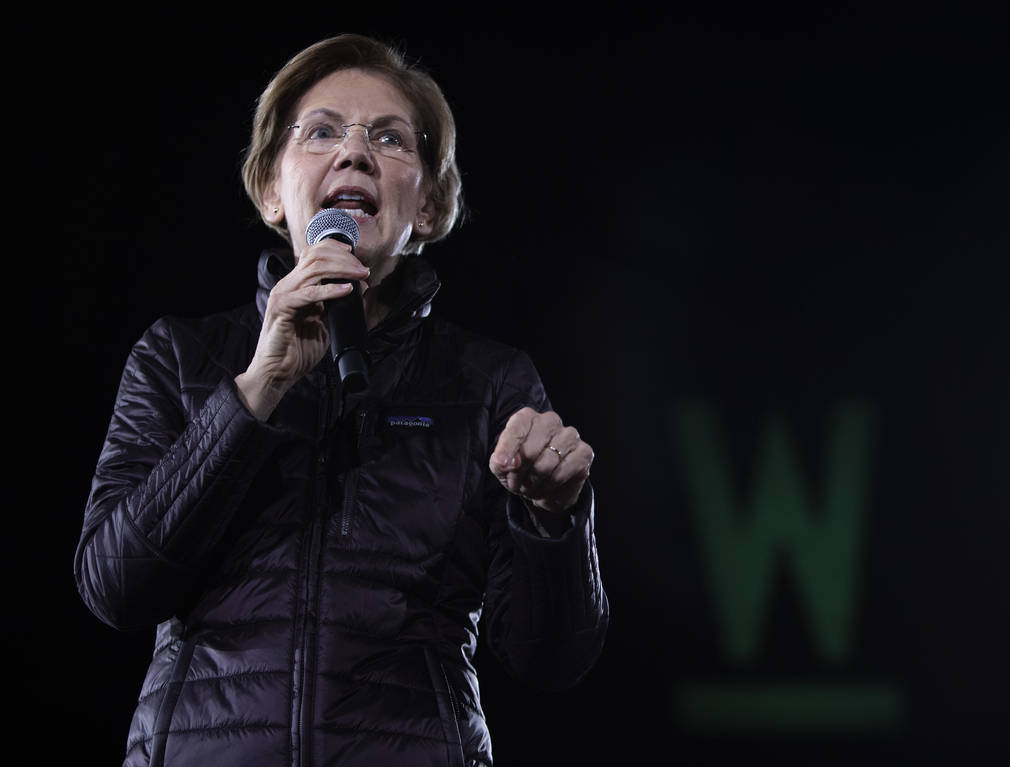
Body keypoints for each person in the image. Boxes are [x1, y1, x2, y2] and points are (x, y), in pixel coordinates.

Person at [74, 33, 609, 767]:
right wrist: (257, 388)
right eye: (322, 131)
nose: (353, 153)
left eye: (388, 138)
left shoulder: (488, 382)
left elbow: (551, 660)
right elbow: (115, 588)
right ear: (270, 189)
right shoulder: (178, 356)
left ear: (427, 206)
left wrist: (553, 520)